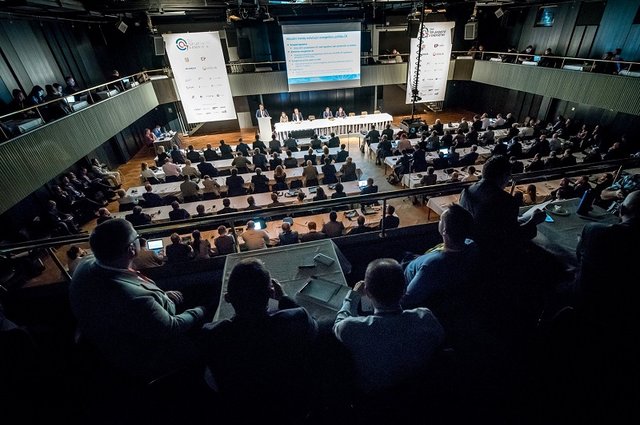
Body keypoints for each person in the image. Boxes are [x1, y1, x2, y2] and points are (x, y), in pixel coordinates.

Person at [69, 219, 209, 381]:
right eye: (137, 236)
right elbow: (171, 326)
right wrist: (200, 311)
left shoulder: (85, 263)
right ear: (131, 249)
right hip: (146, 352)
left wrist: (163, 296)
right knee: (211, 336)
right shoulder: (134, 298)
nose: (139, 239)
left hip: (112, 336)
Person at [196, 258, 319, 421]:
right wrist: (283, 299)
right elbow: (313, 328)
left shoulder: (212, 335)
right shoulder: (296, 320)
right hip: (294, 409)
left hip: (243, 414)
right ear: (271, 293)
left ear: (228, 298)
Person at [333, 258, 444, 394]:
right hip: (420, 391)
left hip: (374, 398)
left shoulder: (352, 328)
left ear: (367, 292)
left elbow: (338, 323)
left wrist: (352, 296)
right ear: (404, 290)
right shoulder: (425, 318)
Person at [401, 204, 480, 313]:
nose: (439, 221)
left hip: (404, 278)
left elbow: (408, 298)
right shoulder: (470, 245)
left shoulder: (432, 265)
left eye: (440, 220)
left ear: (444, 231)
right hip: (417, 261)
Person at [459, 155, 545, 251]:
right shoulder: (506, 201)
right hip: (490, 252)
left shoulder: (466, 191)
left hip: (469, 246)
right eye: (509, 177)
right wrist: (534, 221)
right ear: (504, 176)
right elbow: (514, 237)